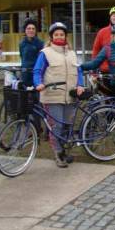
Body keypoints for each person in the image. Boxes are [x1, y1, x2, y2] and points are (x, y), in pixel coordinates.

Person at [34, 22, 84, 168]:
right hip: (52, 96)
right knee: (56, 126)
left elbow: (79, 71)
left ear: (65, 36)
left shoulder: (72, 53)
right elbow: (37, 71)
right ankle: (57, 153)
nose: (59, 37)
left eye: (62, 34)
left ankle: (64, 151)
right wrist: (38, 83)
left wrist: (80, 84)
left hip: (70, 96)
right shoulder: (45, 53)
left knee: (67, 125)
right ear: (51, 37)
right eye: (56, 34)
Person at [19, 19, 44, 87]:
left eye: (33, 29)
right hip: (25, 73)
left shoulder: (40, 43)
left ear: (35, 31)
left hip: (36, 73)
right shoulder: (21, 43)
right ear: (25, 30)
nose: (31, 30)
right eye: (28, 28)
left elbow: (42, 60)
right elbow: (22, 57)